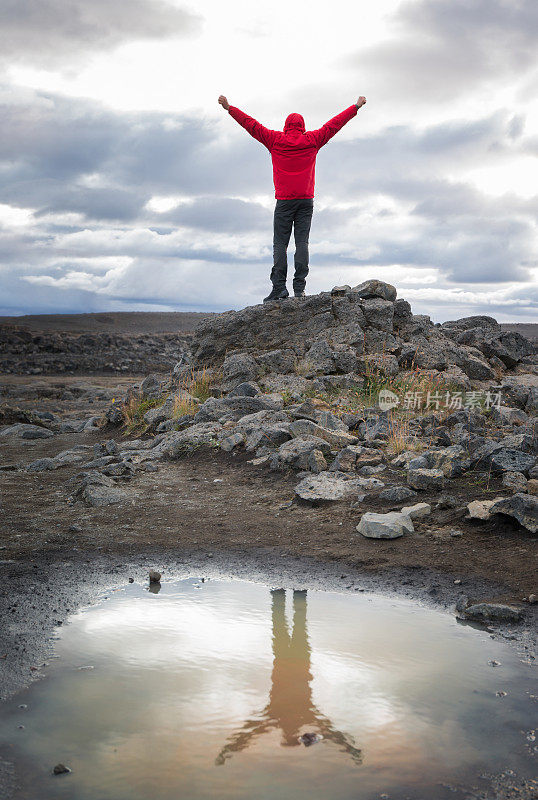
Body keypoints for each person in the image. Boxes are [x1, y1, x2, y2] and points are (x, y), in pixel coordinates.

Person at [218, 94, 366, 302]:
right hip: (306, 201)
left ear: (286, 126)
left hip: (284, 202)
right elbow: (335, 124)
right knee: (302, 242)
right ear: (302, 126)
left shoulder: (275, 140)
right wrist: (355, 107)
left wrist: (229, 108)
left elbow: (250, 124)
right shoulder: (312, 140)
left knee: (280, 244)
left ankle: (279, 288)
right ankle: (299, 289)